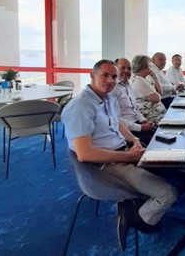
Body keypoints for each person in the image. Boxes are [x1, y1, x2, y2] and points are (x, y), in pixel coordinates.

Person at [62, 59, 177, 251]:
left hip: (122, 151)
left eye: (113, 77)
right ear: (92, 76)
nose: (110, 80)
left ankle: (136, 203)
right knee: (168, 193)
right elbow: (84, 154)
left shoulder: (107, 98)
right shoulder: (80, 107)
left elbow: (117, 124)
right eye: (105, 75)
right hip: (105, 166)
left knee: (168, 162)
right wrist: (129, 157)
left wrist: (134, 140)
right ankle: (134, 217)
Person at [111, 58, 155, 145]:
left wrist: (144, 120)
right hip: (128, 130)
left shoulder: (128, 86)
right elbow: (117, 120)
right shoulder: (113, 90)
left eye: (129, 68)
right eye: (123, 68)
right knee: (154, 145)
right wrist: (140, 127)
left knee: (162, 135)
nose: (126, 71)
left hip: (137, 124)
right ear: (115, 69)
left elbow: (135, 109)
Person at [131, 54, 167, 125]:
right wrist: (157, 94)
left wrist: (155, 78)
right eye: (148, 66)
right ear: (142, 67)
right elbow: (157, 98)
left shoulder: (144, 79)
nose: (150, 69)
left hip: (159, 115)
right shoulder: (139, 80)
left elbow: (160, 91)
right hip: (155, 120)